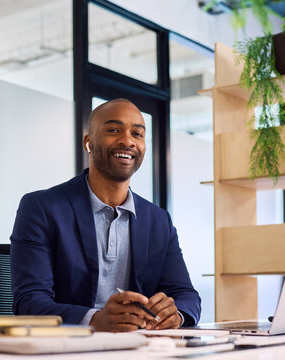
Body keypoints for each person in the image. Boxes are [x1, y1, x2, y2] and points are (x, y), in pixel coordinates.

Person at [10, 98, 200, 332]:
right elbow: (29, 302)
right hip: (70, 349)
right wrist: (95, 319)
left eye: (138, 134)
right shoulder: (42, 208)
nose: (127, 141)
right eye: (113, 130)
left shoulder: (158, 220)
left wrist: (176, 314)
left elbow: (186, 295)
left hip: (139, 349)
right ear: (88, 142)